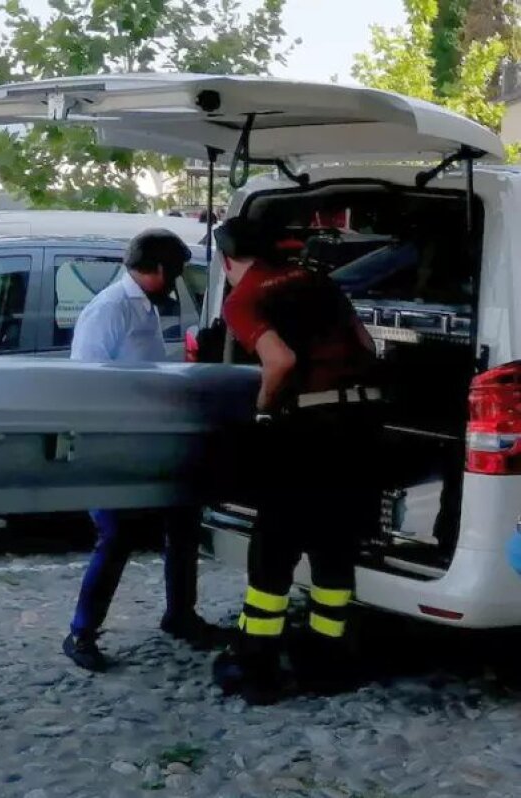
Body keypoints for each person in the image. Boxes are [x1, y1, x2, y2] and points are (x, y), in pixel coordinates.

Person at [209, 217, 382, 705]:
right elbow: (367, 346)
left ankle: (257, 668)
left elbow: (279, 361)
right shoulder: (318, 282)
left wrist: (264, 409)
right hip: (362, 425)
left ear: (227, 261)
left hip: (310, 430)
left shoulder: (245, 297)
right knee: (334, 541)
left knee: (273, 547)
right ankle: (330, 662)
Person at [62, 229, 227, 672]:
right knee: (116, 537)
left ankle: (180, 615)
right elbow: (86, 381)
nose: (174, 284)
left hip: (151, 438)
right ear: (155, 269)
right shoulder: (111, 309)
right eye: (172, 274)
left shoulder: (143, 307)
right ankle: (81, 632)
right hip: (116, 442)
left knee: (183, 524)